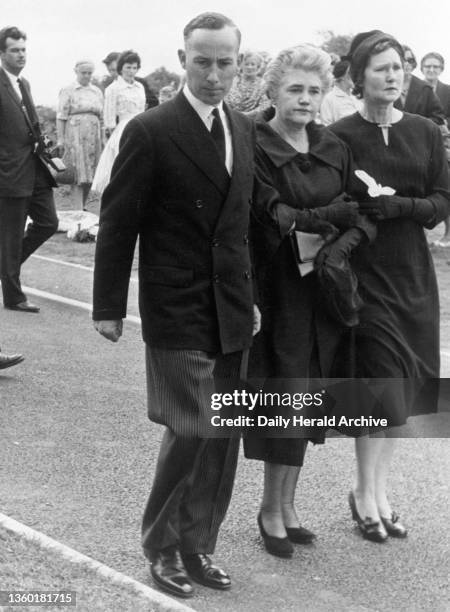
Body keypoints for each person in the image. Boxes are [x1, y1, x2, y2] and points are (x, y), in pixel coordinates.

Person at [93, 12, 259, 599]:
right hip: (177, 302)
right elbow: (118, 225)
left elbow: (244, 224)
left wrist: (253, 298)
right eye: (203, 61)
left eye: (225, 62)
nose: (215, 74)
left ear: (240, 62)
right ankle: (161, 545)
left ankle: (198, 543)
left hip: (233, 305)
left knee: (222, 434)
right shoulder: (151, 129)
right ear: (184, 59)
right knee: (191, 427)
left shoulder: (243, 129)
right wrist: (107, 305)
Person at [245, 45, 374, 558]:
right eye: (295, 89)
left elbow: (362, 214)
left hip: (323, 288)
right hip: (276, 289)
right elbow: (269, 214)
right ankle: (269, 509)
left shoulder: (332, 145)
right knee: (284, 395)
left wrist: (336, 246)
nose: (305, 99)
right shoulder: (252, 141)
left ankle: (289, 504)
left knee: (310, 396)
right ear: (274, 91)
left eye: (314, 91)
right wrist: (330, 215)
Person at [330, 31, 450, 542]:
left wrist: (408, 207)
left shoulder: (424, 130)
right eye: (380, 68)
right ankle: (365, 494)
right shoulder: (338, 134)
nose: (393, 76)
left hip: (413, 275)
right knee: (378, 382)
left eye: (398, 67)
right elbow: (329, 201)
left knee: (403, 388)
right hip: (365, 274)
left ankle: (380, 491)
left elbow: (443, 200)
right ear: (359, 78)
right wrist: (358, 216)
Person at [0, 26, 57, 313]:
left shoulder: (24, 84)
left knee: (49, 223)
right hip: (9, 173)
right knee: (9, 238)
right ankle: (13, 296)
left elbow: (29, 123)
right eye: (15, 50)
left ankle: (5, 269)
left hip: (34, 168)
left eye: (24, 49)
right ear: (2, 53)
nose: (21, 54)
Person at [91, 50, 146, 195]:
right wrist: (110, 135)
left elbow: (142, 109)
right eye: (128, 67)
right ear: (121, 67)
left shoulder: (140, 87)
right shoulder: (113, 89)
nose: (131, 71)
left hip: (142, 127)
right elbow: (109, 118)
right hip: (123, 130)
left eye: (134, 68)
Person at [56, 60, 103, 210]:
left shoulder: (96, 91)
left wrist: (103, 138)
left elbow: (101, 118)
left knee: (91, 173)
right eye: (84, 73)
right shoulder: (68, 89)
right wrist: (61, 139)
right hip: (75, 134)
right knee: (78, 173)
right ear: (76, 71)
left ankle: (83, 206)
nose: (87, 76)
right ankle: (77, 209)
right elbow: (61, 116)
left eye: (90, 73)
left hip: (94, 135)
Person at [420, 52, 450, 245]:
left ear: (441, 69)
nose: (431, 70)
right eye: (428, 66)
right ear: (422, 68)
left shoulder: (447, 91)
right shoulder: (417, 88)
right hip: (419, 146)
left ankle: (448, 233)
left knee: (445, 188)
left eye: (435, 67)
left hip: (443, 146)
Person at [394, 44, 446, 126]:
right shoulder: (386, 85)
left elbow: (438, 117)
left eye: (410, 60)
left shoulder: (425, 88)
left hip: (418, 136)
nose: (406, 63)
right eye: (402, 60)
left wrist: (418, 125)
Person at [320, 59, 362, 125]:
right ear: (341, 77)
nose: (355, 76)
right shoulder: (329, 99)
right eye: (350, 73)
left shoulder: (357, 95)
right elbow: (326, 125)